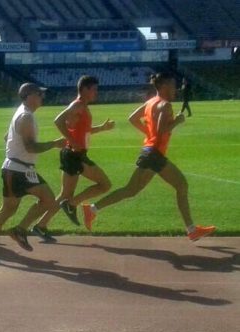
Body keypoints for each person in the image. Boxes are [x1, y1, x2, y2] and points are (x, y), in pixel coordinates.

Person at [82, 73, 215, 241]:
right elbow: (161, 132)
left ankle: (92, 209)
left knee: (131, 190)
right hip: (154, 154)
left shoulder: (151, 102)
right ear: (165, 86)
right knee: (181, 185)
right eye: (174, 85)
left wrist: (148, 133)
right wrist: (177, 121)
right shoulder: (165, 105)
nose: (177, 89)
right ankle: (191, 230)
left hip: (150, 152)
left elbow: (133, 118)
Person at [0, 83, 65, 259]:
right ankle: (17, 231)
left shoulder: (23, 113)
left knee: (8, 209)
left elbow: (7, 137)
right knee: (47, 201)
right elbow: (30, 147)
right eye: (39, 94)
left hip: (17, 169)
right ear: (29, 96)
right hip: (18, 171)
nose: (41, 98)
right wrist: (54, 143)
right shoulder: (25, 117)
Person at [32, 76, 114, 242]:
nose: (96, 93)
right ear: (84, 89)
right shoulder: (77, 105)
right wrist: (72, 140)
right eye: (94, 89)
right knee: (105, 184)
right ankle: (71, 205)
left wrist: (102, 128)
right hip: (74, 155)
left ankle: (40, 226)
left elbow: (84, 131)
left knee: (64, 194)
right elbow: (58, 120)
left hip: (75, 155)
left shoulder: (83, 106)